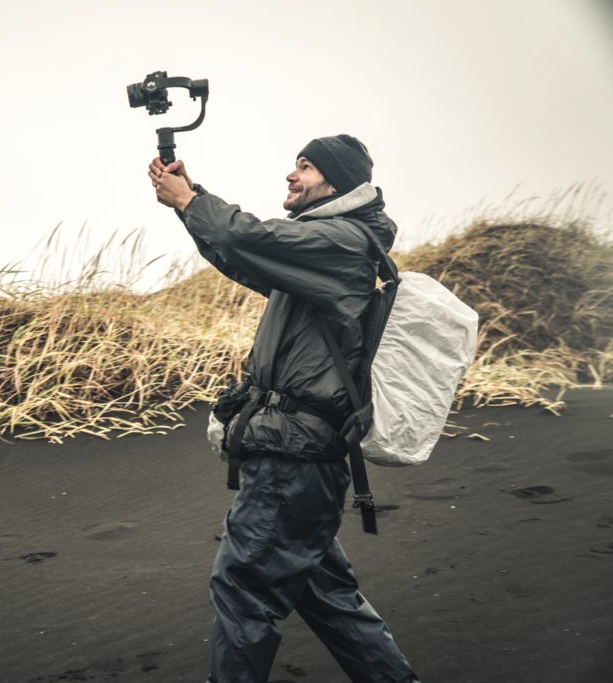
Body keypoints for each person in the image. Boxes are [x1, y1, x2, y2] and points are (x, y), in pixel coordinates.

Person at [148, 134, 420, 683]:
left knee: (244, 590)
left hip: (293, 456)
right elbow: (242, 255)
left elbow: (248, 234)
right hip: (297, 453)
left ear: (338, 182)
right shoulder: (324, 246)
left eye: (305, 166)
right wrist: (191, 197)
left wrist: (188, 200)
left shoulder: (343, 241)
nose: (291, 176)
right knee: (324, 595)